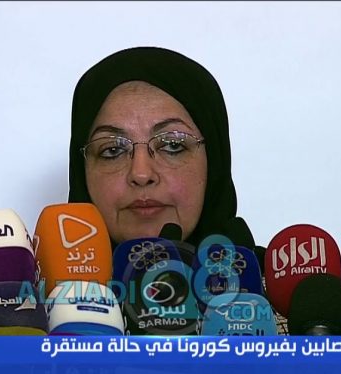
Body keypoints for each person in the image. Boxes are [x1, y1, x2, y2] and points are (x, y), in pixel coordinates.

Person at [68, 46, 258, 252]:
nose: (141, 174)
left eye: (172, 145)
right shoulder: (45, 275)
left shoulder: (274, 272)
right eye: (113, 150)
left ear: (214, 162)